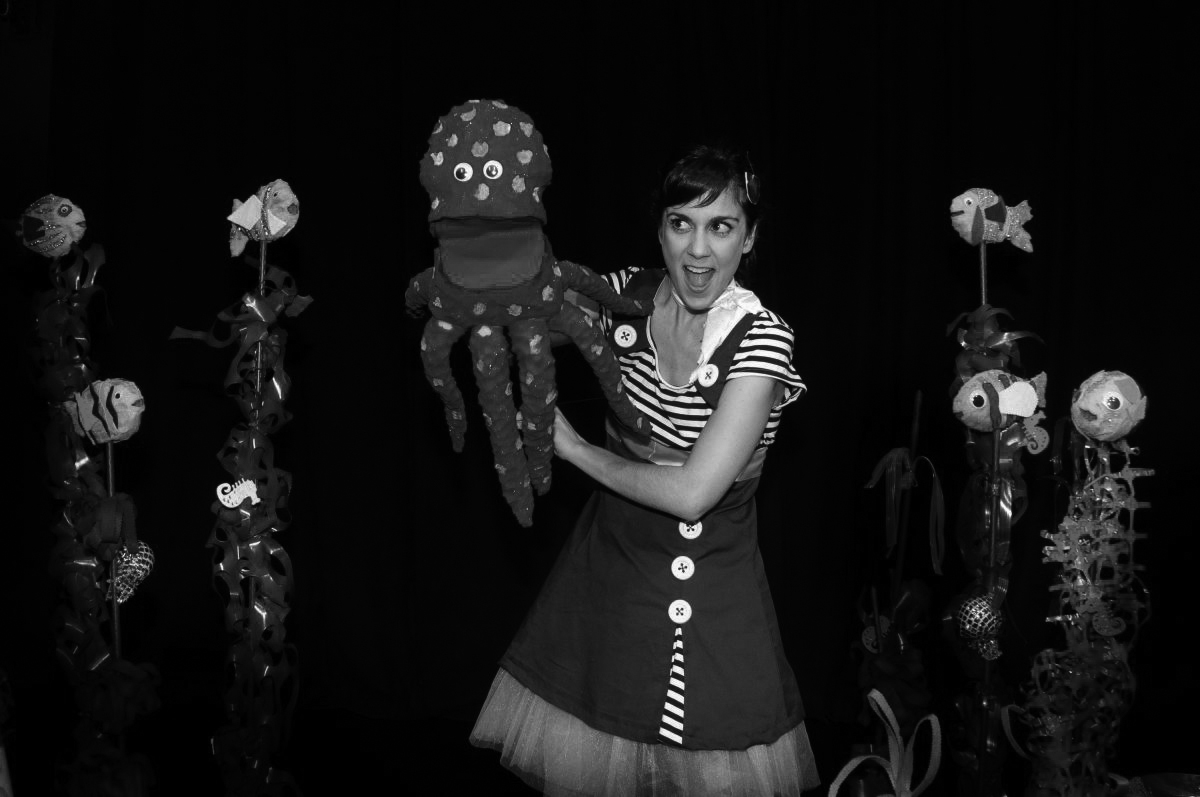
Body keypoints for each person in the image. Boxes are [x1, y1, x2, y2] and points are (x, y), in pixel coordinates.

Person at [470, 144, 820, 796]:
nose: (698, 250)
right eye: (681, 223)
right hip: (609, 582)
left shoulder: (762, 339)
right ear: (659, 229)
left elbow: (693, 493)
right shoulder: (626, 295)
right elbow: (521, 318)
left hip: (710, 602)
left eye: (721, 227)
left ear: (749, 238)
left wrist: (575, 449)